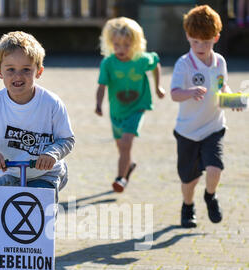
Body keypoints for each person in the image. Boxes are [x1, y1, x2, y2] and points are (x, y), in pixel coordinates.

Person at [0, 30, 74, 194]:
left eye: (26, 69)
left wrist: (52, 154)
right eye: (10, 69)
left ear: (39, 71)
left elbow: (66, 139)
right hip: (9, 172)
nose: (18, 76)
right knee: (4, 214)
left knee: (39, 210)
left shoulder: (51, 103)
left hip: (46, 174)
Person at [171, 5, 233, 228]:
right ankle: (188, 206)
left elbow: (222, 88)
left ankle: (210, 196)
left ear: (215, 37)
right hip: (187, 131)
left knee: (215, 168)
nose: (200, 46)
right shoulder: (184, 64)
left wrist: (231, 100)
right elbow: (174, 94)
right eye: (195, 41)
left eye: (205, 42)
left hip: (213, 127)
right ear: (188, 36)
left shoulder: (220, 62)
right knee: (189, 179)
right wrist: (190, 92)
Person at [95, 17, 165, 193]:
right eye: (117, 44)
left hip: (137, 108)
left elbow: (155, 63)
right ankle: (129, 165)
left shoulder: (141, 60)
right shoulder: (108, 63)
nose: (121, 49)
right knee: (121, 147)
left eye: (126, 45)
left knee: (126, 143)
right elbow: (101, 86)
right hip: (117, 111)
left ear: (135, 44)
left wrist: (158, 87)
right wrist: (98, 104)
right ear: (110, 43)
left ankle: (120, 178)